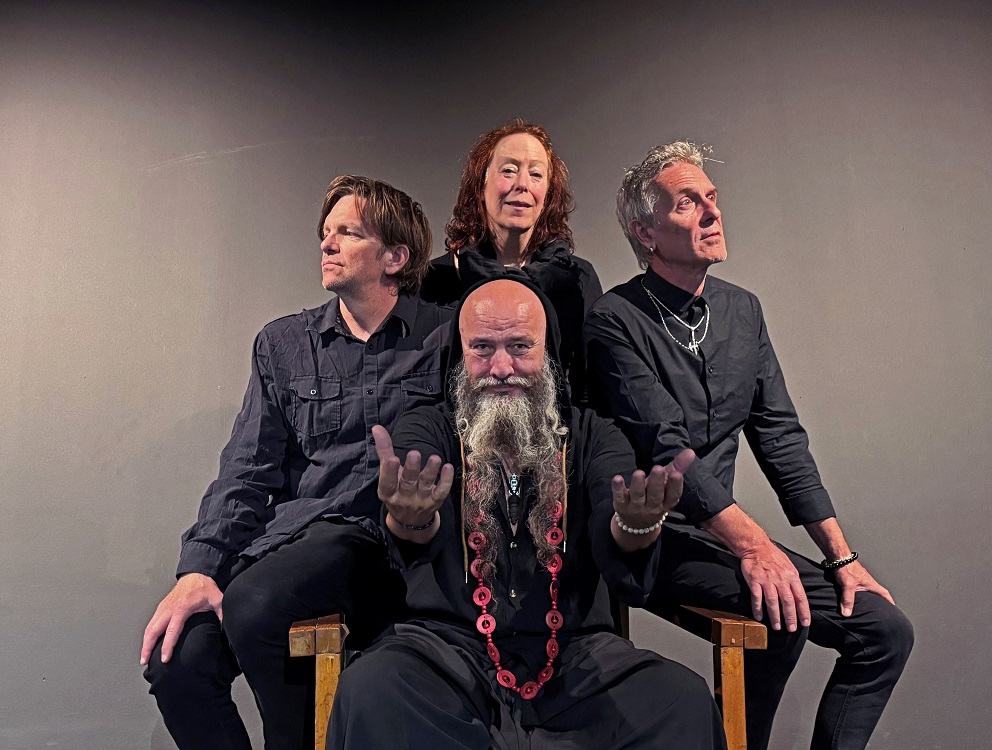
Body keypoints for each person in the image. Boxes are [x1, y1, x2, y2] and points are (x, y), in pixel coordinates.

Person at [584, 141, 914, 750]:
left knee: (885, 631)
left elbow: (780, 436)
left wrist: (841, 558)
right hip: (648, 539)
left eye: (712, 197)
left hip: (726, 537)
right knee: (778, 609)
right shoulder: (614, 319)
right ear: (646, 232)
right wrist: (757, 548)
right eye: (688, 202)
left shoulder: (742, 310)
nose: (713, 212)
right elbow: (666, 447)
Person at [328, 277, 727, 750]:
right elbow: (413, 523)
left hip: (575, 660)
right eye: (482, 348)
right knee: (371, 688)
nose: (501, 368)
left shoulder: (595, 436)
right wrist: (411, 517)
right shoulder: (428, 427)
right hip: (447, 657)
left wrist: (636, 524)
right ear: (460, 355)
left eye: (520, 347)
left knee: (682, 700)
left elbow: (614, 517)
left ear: (548, 353)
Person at [140, 175, 453, 750]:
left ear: (395, 257)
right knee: (176, 661)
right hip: (286, 545)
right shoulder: (283, 344)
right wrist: (198, 570)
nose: (327, 244)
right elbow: (246, 469)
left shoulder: (444, 336)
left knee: (257, 604)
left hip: (379, 544)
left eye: (348, 233)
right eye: (325, 232)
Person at [420, 120, 602, 401]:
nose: (522, 185)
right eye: (509, 171)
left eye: (536, 174)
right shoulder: (435, 280)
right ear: (480, 187)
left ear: (548, 195)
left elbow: (590, 387)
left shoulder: (579, 278)